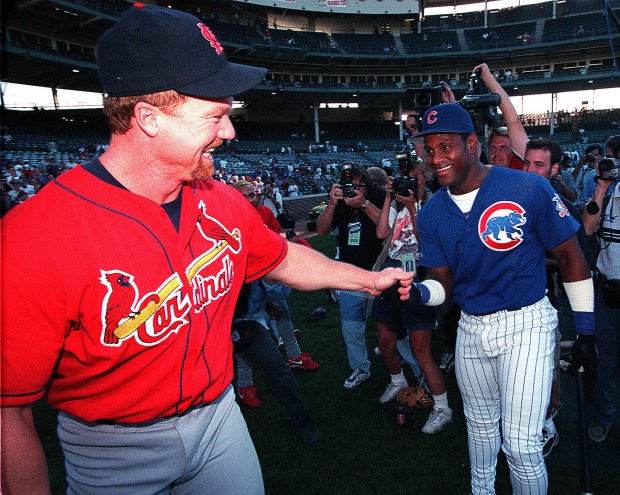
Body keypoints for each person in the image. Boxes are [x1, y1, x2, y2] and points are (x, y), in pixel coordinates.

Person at [0, 6, 413, 495]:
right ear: (148, 118)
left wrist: (367, 279)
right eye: (215, 115)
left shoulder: (220, 199)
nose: (230, 131)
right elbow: (9, 412)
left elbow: (280, 258)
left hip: (219, 419)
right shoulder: (33, 237)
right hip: (112, 451)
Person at [411, 103, 597, 495]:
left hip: (526, 321)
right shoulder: (430, 214)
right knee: (478, 427)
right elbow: (442, 284)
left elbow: (570, 255)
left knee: (520, 444)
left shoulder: (526, 186)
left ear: (473, 144)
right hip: (471, 326)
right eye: (428, 150)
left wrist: (585, 331)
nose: (435, 159)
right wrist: (416, 291)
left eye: (446, 146)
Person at [373, 154, 453, 434]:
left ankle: (443, 407)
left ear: (425, 180)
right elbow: (381, 231)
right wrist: (388, 198)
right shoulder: (396, 204)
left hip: (419, 277)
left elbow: (429, 245)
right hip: (392, 274)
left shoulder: (435, 205)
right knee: (385, 343)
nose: (409, 182)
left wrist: (414, 208)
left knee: (421, 351)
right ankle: (397, 381)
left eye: (415, 178)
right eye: (406, 178)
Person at [523, 138, 590, 458]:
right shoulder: (514, 199)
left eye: (539, 165)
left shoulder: (563, 208)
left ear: (554, 169)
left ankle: (549, 418)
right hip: (510, 300)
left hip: (545, 298)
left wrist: (533, 258)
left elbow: (574, 261)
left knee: (546, 365)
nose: (531, 170)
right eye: (527, 163)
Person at [316, 164, 386, 389]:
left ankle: (399, 360)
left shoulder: (378, 196)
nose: (353, 190)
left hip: (379, 273)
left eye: (358, 186)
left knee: (390, 326)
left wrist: (364, 205)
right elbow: (322, 230)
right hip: (350, 276)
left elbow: (388, 227)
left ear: (368, 185)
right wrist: (332, 203)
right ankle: (360, 368)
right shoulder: (340, 203)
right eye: (349, 186)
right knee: (351, 329)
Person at [582, 134, 620, 443]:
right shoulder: (606, 193)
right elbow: (588, 228)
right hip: (608, 291)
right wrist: (601, 187)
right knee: (604, 360)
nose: (609, 165)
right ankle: (604, 416)